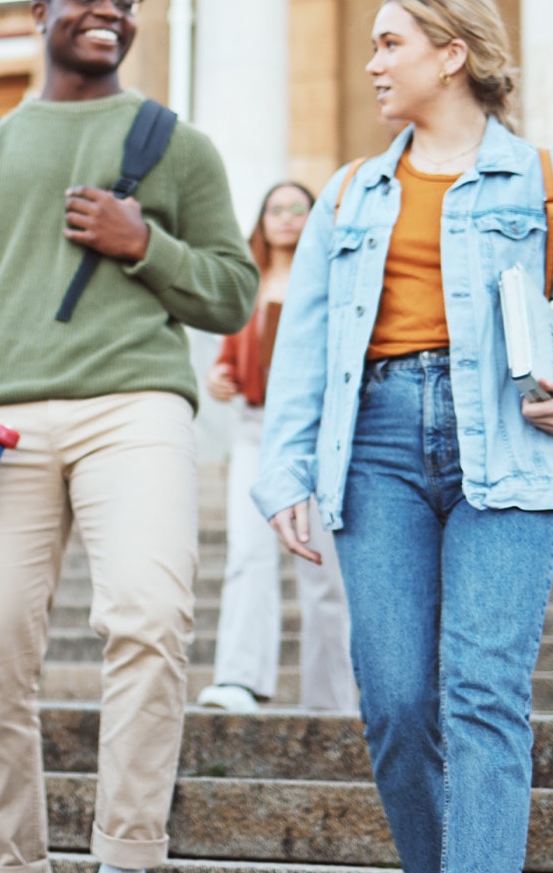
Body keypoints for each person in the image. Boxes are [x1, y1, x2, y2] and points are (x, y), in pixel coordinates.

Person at [252, 0, 553, 873]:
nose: (373, 63)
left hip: (508, 441)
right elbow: (304, 350)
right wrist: (284, 472)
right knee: (394, 702)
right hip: (376, 446)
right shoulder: (350, 194)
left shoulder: (547, 177)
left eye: (391, 44)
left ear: (452, 54)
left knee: (483, 693)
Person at [0, 0, 257, 873]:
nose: (109, 11)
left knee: (148, 617)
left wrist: (146, 244)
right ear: (40, 12)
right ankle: (8, 863)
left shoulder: (175, 145)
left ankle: (130, 855)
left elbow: (231, 293)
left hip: (134, 406)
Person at [195, 180, 354, 715]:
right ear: (260, 221)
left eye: (297, 209)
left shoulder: (333, 279)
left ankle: (332, 697)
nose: (285, 218)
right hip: (254, 428)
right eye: (275, 209)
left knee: (324, 568)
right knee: (247, 552)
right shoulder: (248, 283)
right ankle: (240, 679)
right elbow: (229, 356)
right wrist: (220, 375)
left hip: (318, 434)